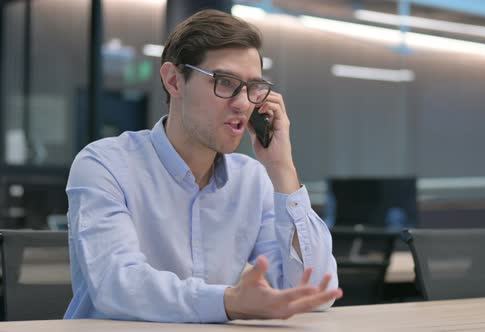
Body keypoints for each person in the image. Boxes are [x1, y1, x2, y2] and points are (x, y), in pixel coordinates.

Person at [64, 9, 341, 323]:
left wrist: (282, 168)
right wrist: (227, 302)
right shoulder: (105, 164)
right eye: (225, 82)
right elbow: (118, 284)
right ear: (174, 81)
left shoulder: (251, 180)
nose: (242, 103)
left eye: (252, 87)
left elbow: (316, 292)